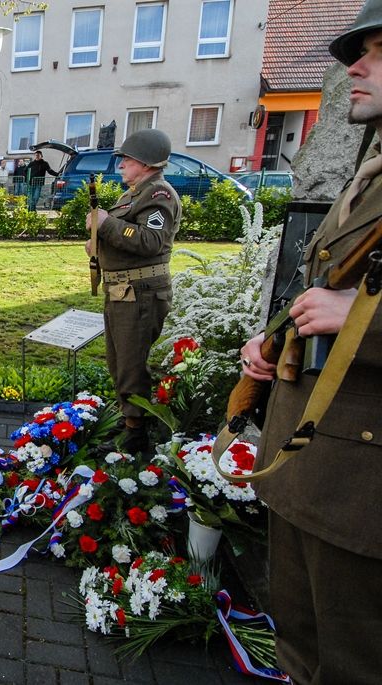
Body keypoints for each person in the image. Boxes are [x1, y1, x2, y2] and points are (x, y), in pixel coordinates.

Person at [238, 5, 382, 681]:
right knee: (300, 647)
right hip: (307, 461)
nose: (355, 67)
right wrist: (275, 341)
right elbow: (326, 280)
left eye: (378, 52)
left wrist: (360, 318)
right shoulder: (369, 170)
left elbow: (354, 303)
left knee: (351, 663)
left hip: (359, 485)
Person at [84, 128, 180, 455]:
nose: (122, 164)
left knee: (131, 363)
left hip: (140, 293)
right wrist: (98, 244)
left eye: (127, 159)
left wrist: (106, 224)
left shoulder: (159, 195)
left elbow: (150, 241)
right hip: (124, 291)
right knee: (119, 362)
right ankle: (129, 420)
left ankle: (136, 433)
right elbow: (127, 238)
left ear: (146, 163)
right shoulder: (134, 195)